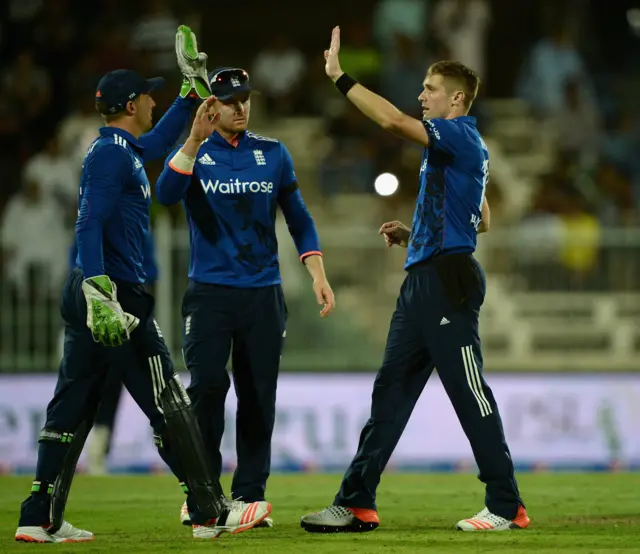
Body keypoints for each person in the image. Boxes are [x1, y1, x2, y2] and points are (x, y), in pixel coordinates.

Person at [14, 27, 270, 544]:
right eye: (149, 94)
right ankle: (209, 510)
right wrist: (100, 289)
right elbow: (88, 223)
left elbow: (157, 142)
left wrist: (189, 94)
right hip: (113, 293)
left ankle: (38, 516)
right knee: (166, 399)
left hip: (93, 290)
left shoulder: (121, 147)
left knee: (72, 404)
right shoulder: (111, 156)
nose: (154, 101)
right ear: (132, 103)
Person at [300, 27, 529, 533]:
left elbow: (389, 120)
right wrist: (417, 233)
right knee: (391, 394)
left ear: (458, 99)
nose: (421, 95)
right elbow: (482, 218)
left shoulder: (461, 134)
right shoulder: (460, 148)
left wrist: (339, 77)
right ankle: (356, 501)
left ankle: (506, 504)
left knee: (470, 393)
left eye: (430, 88)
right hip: (425, 277)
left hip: (447, 279)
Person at [154, 66, 335, 536]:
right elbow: (165, 194)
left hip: (262, 295)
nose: (240, 107)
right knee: (208, 389)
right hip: (210, 295)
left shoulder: (272, 154)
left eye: (245, 99)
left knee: (258, 399)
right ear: (211, 105)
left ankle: (250, 497)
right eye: (230, 100)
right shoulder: (195, 151)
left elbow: (298, 217)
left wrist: (317, 273)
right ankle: (204, 493)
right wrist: (192, 141)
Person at [65, 232, 159, 475]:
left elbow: (151, 271)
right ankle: (76, 451)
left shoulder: (134, 230)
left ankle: (96, 449)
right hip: (92, 315)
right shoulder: (95, 224)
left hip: (123, 315)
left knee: (111, 383)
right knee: (87, 385)